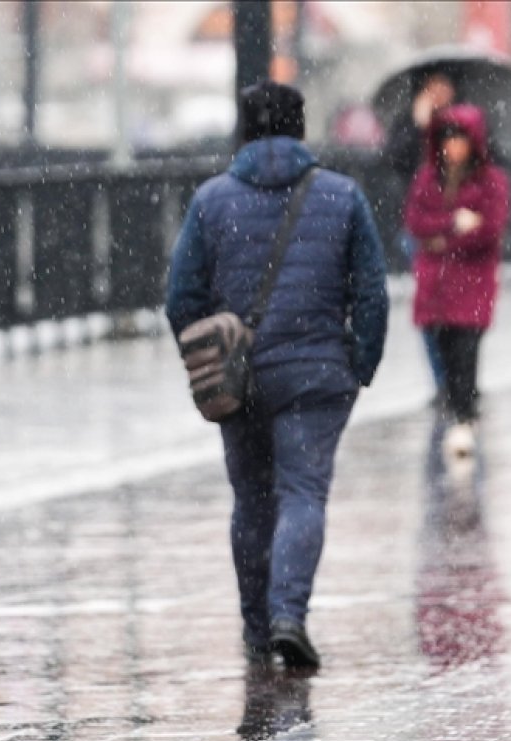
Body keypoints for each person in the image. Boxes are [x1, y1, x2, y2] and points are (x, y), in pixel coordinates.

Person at [165, 80, 389, 672]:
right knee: (303, 494)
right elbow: (371, 292)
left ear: (242, 130)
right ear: (300, 127)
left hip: (239, 376)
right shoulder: (342, 196)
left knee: (250, 502)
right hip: (318, 376)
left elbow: (180, 296)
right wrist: (359, 364)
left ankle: (257, 626)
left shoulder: (211, 200)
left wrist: (209, 358)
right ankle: (290, 615)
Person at [404, 104, 511, 460]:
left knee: (467, 348)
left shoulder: (491, 181)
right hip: (435, 284)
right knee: (444, 348)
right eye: (447, 139)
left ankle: (464, 415)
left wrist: (444, 238)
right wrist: (454, 223)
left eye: (460, 139)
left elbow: (489, 231)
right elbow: (416, 223)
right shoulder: (427, 178)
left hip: (472, 282)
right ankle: (460, 411)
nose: (453, 147)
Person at [384, 72, 458, 398]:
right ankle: (442, 380)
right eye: (432, 87)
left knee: (460, 305)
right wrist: (418, 127)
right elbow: (397, 161)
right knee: (430, 307)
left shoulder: (463, 125)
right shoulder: (409, 124)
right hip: (421, 228)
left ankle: (461, 375)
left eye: (445, 86)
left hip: (458, 227)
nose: (439, 94)